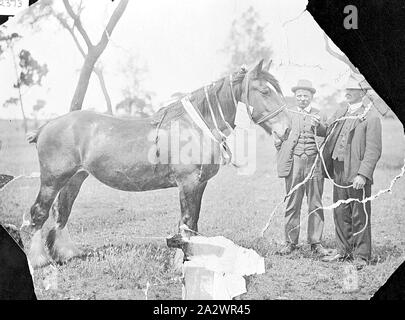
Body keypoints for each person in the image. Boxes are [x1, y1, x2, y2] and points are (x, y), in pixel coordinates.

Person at [321, 75, 382, 268]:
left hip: (356, 173)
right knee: (340, 212)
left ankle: (362, 256)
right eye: (346, 89)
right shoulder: (341, 111)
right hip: (338, 170)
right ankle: (343, 251)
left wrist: (363, 174)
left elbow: (373, 150)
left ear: (362, 92)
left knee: (359, 214)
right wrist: (316, 123)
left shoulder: (371, 116)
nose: (347, 92)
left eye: (352, 89)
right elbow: (326, 130)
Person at [276, 79, 330, 256]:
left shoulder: (319, 114)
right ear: (295, 97)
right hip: (295, 164)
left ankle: (316, 243)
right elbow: (279, 139)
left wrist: (319, 125)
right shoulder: (288, 114)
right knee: (293, 203)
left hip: (314, 163)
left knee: (315, 202)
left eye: (305, 96)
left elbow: (327, 133)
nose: (302, 99)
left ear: (312, 97)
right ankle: (291, 243)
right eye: (299, 96)